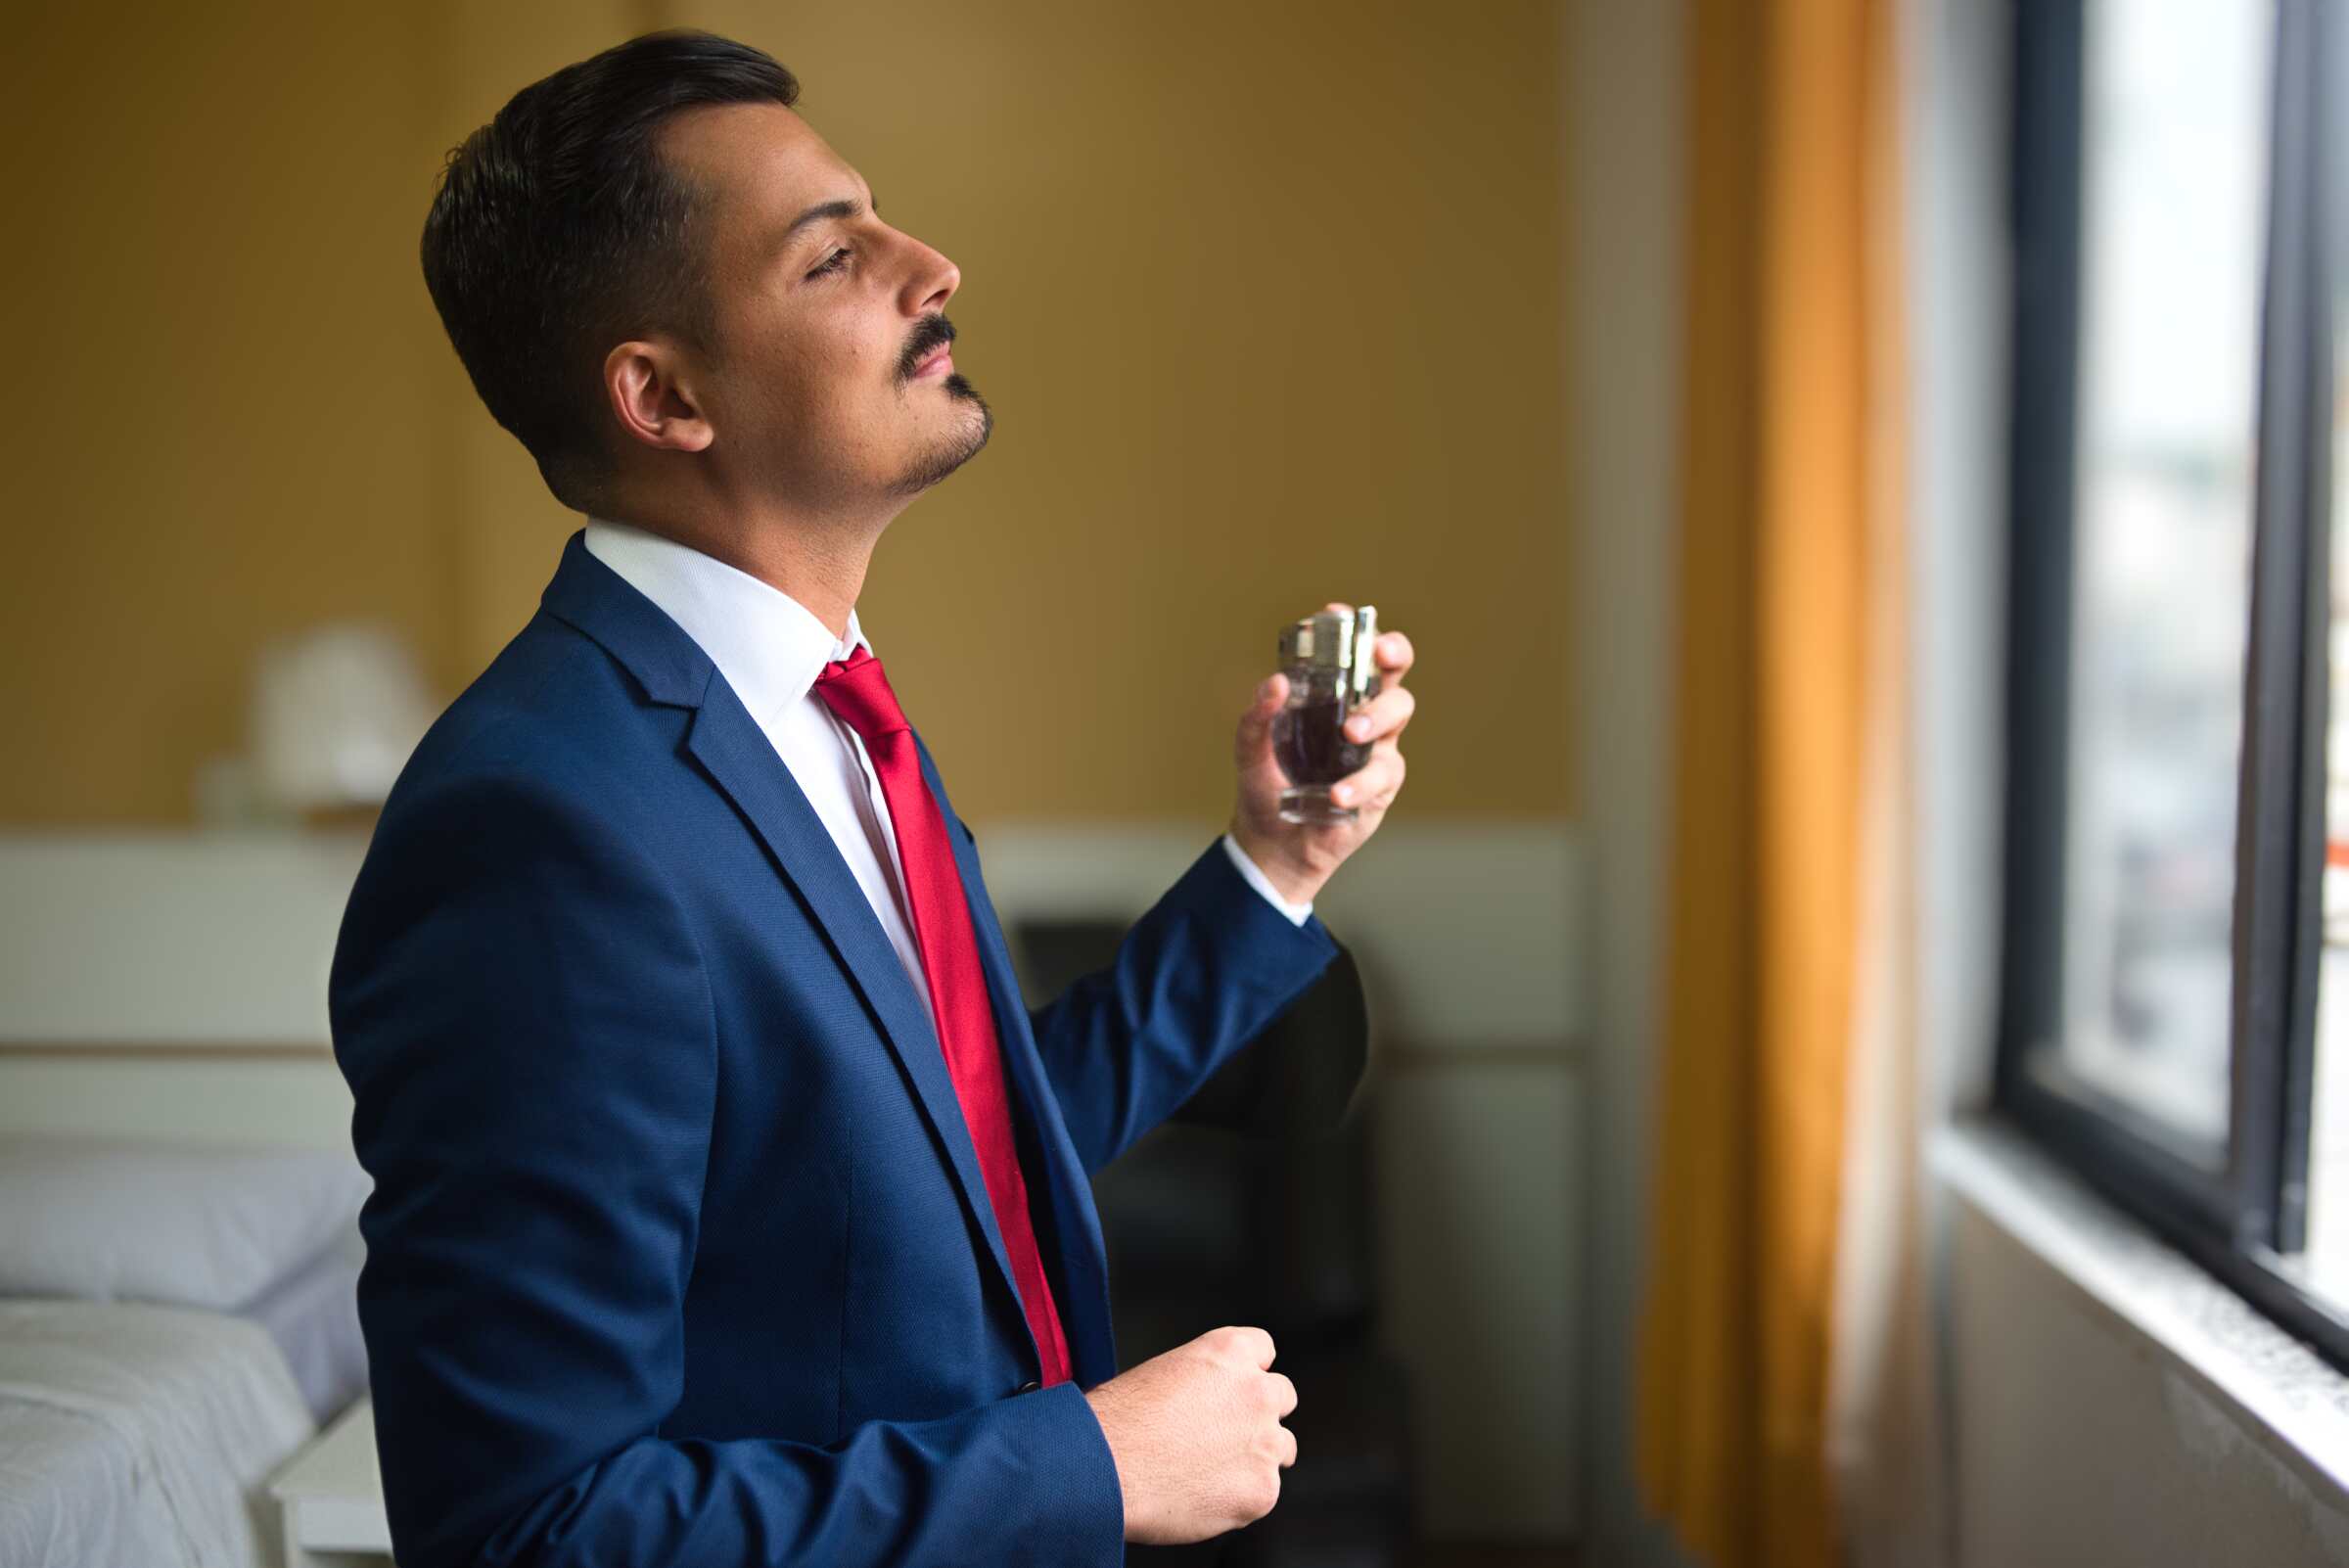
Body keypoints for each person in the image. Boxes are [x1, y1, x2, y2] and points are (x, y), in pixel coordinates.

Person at [329, 28, 1416, 1568]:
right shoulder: (534, 829)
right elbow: (530, 1528)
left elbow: (962, 1141)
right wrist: (1089, 1463)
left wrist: (1274, 863)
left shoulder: (833, 723)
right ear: (663, 394)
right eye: (835, 257)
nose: (935, 267)